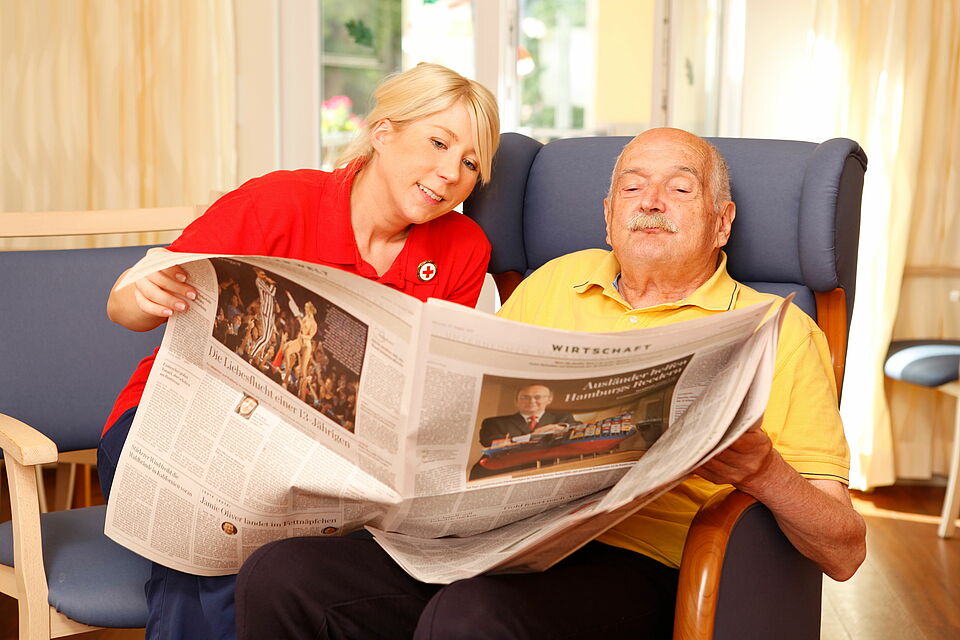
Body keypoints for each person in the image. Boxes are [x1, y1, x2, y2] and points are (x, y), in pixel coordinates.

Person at [234, 127, 867, 640]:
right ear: (608, 215)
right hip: (491, 538)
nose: (650, 202)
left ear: (722, 222)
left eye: (679, 189)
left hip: (639, 563)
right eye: (631, 188)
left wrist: (761, 472)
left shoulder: (776, 331)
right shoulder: (555, 281)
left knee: (472, 617)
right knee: (281, 574)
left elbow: (845, 551)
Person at [97, 62, 500, 640]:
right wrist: (144, 292)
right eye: (438, 143)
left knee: (290, 562)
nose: (449, 174)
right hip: (172, 427)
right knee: (219, 531)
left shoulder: (463, 248)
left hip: (323, 461)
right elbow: (127, 305)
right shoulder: (278, 202)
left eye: (469, 164)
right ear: (383, 132)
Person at [477, 383, 577, 446]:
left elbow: (579, 427)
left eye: (538, 397)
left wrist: (562, 428)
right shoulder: (494, 422)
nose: (531, 401)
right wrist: (531, 436)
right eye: (525, 397)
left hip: (549, 464)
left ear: (549, 400)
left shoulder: (563, 418)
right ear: (516, 401)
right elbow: (489, 442)